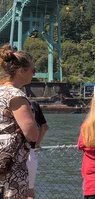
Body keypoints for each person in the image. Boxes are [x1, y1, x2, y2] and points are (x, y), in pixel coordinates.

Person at [0, 45, 38, 199]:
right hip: (11, 165)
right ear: (21, 71)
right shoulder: (16, 96)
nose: (34, 74)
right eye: (32, 70)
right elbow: (32, 134)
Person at [26, 101, 49, 199]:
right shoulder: (33, 104)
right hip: (30, 152)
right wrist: (36, 144)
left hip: (8, 152)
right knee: (29, 192)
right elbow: (44, 127)